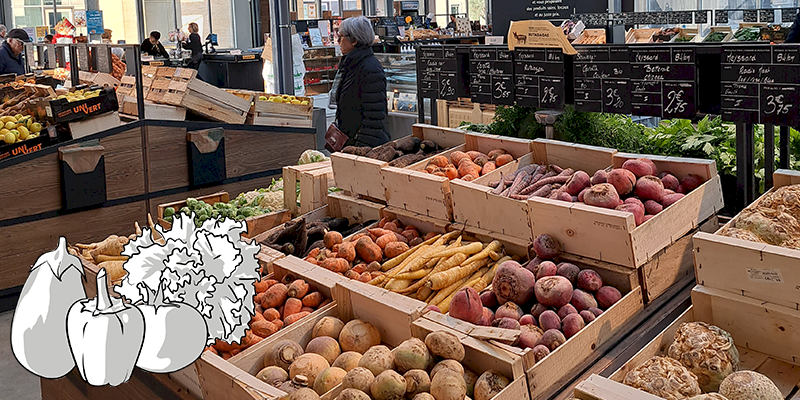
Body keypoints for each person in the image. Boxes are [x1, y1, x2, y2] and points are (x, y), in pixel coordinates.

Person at [333, 16, 389, 147]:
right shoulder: (352, 65)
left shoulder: (369, 69)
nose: (338, 40)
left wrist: (358, 150)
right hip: (351, 144)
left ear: (354, 40)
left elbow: (374, 118)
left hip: (365, 149)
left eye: (341, 36)